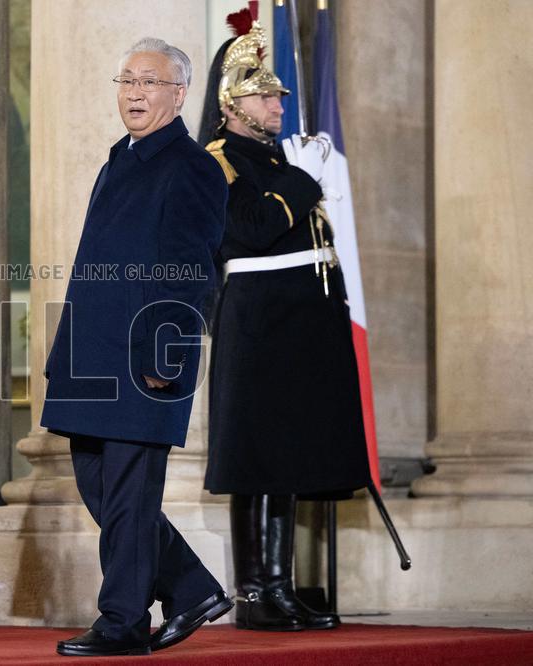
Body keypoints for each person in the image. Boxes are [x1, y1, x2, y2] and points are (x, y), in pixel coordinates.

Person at [41, 38, 230, 657]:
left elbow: (193, 269)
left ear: (179, 94)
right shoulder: (117, 159)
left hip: (143, 359)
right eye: (126, 81)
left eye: (149, 82)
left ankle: (122, 622)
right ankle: (192, 586)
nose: (134, 93)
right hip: (92, 357)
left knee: (128, 495)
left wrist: (164, 357)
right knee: (101, 489)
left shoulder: (193, 166)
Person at [198, 10, 373, 631]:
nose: (279, 103)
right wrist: (304, 181)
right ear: (233, 100)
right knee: (260, 458)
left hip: (301, 321)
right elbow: (248, 230)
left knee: (289, 455)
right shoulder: (218, 160)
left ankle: (280, 587)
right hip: (260, 322)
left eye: (277, 94)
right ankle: (253, 595)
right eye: (266, 94)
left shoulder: (274, 159)